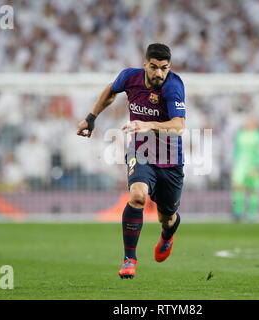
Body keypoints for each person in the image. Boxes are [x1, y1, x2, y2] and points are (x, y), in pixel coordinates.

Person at [77, 43, 186, 279]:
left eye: (164, 68)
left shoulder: (173, 86)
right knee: (137, 196)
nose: (159, 73)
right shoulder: (129, 77)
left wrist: (148, 124)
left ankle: (167, 237)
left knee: (167, 218)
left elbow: (179, 126)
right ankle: (129, 259)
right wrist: (91, 117)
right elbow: (110, 91)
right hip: (141, 150)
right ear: (145, 64)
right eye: (154, 67)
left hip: (170, 159)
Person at [231, 116, 259, 222]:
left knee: (254, 190)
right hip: (240, 165)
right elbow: (236, 150)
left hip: (253, 165)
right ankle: (238, 212)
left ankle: (252, 214)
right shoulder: (240, 134)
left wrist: (258, 165)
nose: (249, 123)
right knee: (237, 188)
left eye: (252, 121)